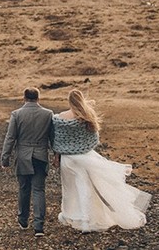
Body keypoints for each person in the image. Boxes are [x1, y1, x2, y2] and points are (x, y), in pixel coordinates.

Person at [51, 89, 152, 232]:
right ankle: (86, 220)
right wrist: (82, 148)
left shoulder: (60, 117)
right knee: (85, 189)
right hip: (85, 158)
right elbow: (94, 139)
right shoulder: (87, 116)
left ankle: (70, 215)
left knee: (69, 189)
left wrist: (58, 154)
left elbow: (57, 141)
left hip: (67, 160)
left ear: (69, 101)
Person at [0, 87, 53, 237]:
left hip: (23, 157)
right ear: (38, 98)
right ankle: (39, 226)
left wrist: (5, 158)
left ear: (24, 98)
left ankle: (23, 220)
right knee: (39, 190)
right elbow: (53, 138)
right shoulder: (48, 114)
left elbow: (10, 138)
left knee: (24, 189)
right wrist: (57, 156)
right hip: (41, 156)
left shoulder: (17, 114)